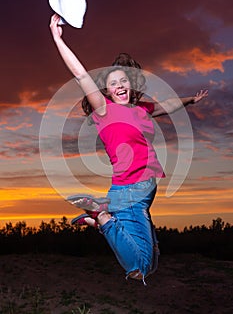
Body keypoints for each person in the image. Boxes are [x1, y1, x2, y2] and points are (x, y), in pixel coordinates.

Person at [49, 14, 208, 284]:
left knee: (154, 259)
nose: (120, 85)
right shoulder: (103, 109)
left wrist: (191, 100)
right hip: (131, 191)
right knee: (141, 267)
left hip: (138, 192)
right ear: (107, 92)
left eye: (124, 81)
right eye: (113, 83)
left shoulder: (139, 110)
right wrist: (57, 37)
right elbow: (80, 74)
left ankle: (100, 221)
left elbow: (166, 105)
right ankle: (104, 218)